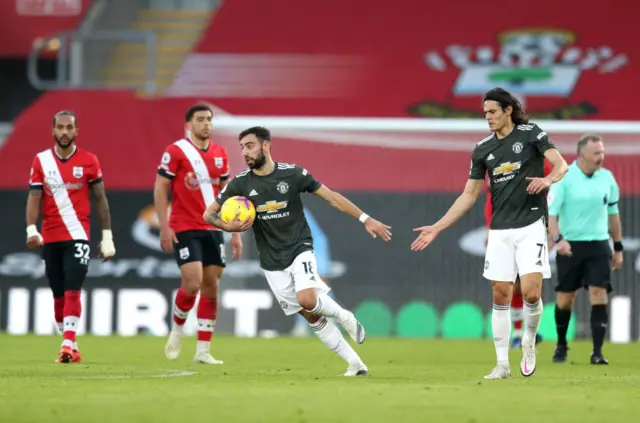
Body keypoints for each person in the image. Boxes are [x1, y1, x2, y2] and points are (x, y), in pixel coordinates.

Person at [203, 126, 392, 376]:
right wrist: (228, 225)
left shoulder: (293, 174)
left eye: (250, 146)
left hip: (299, 247)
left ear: (266, 146)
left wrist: (365, 218)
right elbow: (208, 213)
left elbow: (332, 197)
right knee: (311, 316)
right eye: (242, 148)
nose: (245, 153)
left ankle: (345, 315)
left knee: (308, 300)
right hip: (271, 260)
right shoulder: (240, 183)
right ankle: (355, 364)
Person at [411, 87, 568, 379]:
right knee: (500, 293)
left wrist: (547, 180)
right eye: (485, 113)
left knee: (532, 292)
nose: (488, 118)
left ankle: (529, 343)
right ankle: (502, 364)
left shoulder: (531, 133)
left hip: (532, 224)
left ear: (508, 110)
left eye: (493, 112)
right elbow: (468, 195)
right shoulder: (482, 149)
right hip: (500, 229)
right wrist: (438, 226)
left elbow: (562, 165)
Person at [26, 111, 116, 363]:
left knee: (72, 288)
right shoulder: (41, 161)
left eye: (69, 128)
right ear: (53, 131)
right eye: (60, 128)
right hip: (50, 235)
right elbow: (34, 197)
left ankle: (66, 342)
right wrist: (31, 229)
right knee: (57, 293)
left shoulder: (89, 160)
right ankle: (71, 345)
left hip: (78, 235)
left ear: (77, 131)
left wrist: (107, 237)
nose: (64, 132)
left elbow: (100, 199)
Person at [155, 103, 242, 364]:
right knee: (192, 282)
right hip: (185, 225)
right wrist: (164, 225)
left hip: (214, 228)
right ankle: (177, 332)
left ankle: (203, 351)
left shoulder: (220, 153)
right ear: (189, 125)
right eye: (201, 119)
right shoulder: (176, 151)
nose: (206, 124)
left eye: (209, 119)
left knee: (211, 285)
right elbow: (160, 187)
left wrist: (235, 232)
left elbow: (228, 194)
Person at [547, 134, 623, 365]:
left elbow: (613, 215)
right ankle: (561, 344)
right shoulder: (565, 178)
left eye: (602, 152)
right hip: (571, 245)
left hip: (599, 244)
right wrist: (558, 240)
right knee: (565, 298)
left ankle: (597, 352)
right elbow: (551, 215)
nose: (601, 157)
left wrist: (617, 246)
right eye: (596, 153)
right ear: (582, 155)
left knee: (599, 294)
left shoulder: (607, 178)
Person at [484, 161, 551, 348]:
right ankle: (518, 334)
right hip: (504, 230)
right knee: (511, 285)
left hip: (531, 228)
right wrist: (489, 228)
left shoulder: (539, 160)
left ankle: (529, 333)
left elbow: (552, 182)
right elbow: (491, 198)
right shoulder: (500, 160)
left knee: (531, 286)